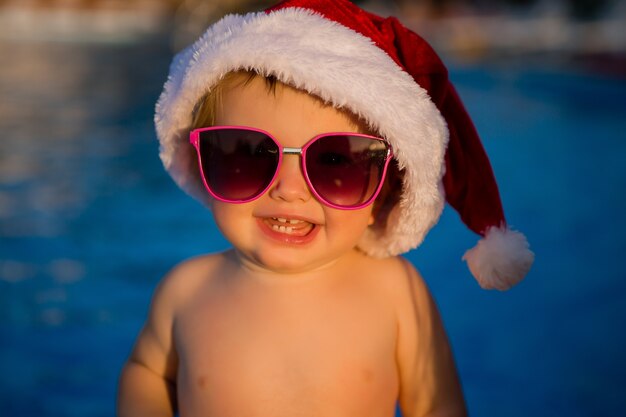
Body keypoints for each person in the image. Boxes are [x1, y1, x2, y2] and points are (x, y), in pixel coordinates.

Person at [117, 1, 534, 416]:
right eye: (248, 154)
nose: (289, 190)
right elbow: (147, 369)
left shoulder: (395, 293)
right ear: (202, 162)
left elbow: (437, 405)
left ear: (384, 192)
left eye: (335, 162)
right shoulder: (186, 290)